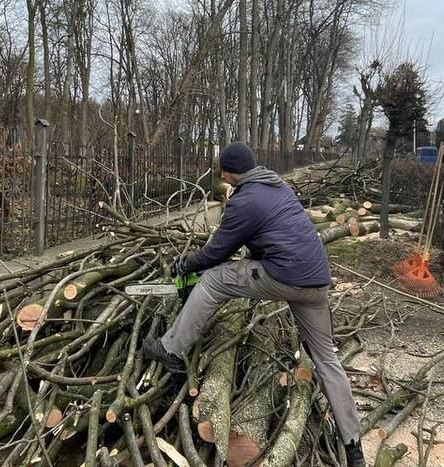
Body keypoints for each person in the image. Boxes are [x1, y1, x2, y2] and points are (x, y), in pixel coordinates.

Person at [141, 142, 366, 467]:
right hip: (316, 280)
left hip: (285, 276)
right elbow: (272, 235)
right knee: (327, 359)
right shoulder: (277, 185)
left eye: (222, 169)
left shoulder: (244, 200)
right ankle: (354, 446)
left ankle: (171, 349)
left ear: (229, 171)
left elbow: (217, 252)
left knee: (215, 279)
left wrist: (186, 264)